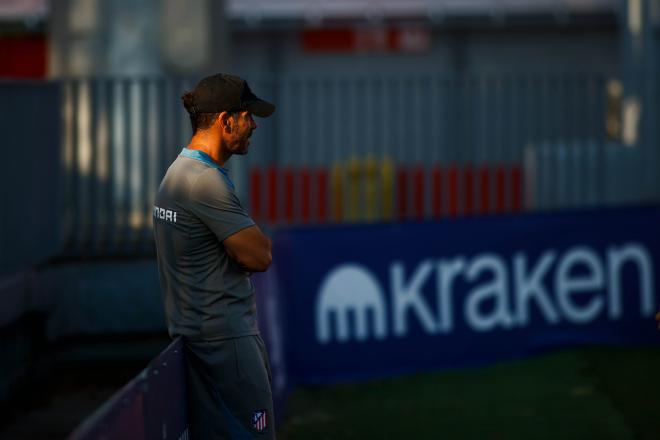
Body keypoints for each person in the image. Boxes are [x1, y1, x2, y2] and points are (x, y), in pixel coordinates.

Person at [153, 73, 276, 439]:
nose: (253, 124)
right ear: (225, 120)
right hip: (227, 349)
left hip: (203, 344)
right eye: (247, 115)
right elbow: (260, 256)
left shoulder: (177, 173)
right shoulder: (203, 181)